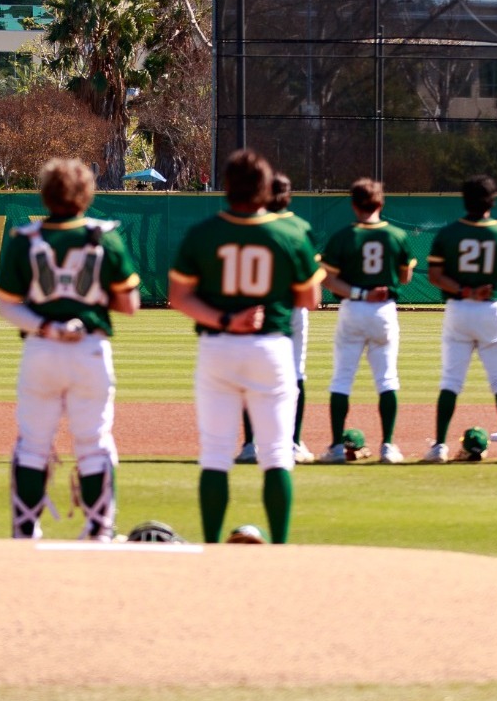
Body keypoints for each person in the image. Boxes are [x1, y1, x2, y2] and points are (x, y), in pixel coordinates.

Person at [168, 149, 323, 544]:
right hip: (270, 347)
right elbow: (310, 299)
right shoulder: (290, 233)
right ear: (265, 189)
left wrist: (225, 318)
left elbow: (179, 296)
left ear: (227, 187)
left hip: (219, 346)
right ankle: (280, 545)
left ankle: (210, 543)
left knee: (216, 456)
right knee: (276, 456)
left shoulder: (203, 233)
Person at [0, 157, 142, 540]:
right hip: (89, 349)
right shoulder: (105, 237)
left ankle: (26, 528)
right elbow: (129, 305)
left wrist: (46, 323)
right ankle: (98, 527)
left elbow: (7, 304)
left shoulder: (25, 238)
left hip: (41, 348)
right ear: (87, 194)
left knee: (33, 444)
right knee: (93, 442)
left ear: (45, 195)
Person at [421, 175, 497, 464]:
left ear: (464, 200)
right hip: (492, 309)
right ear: (492, 201)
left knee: (451, 381)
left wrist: (464, 288)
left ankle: (439, 447)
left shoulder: (448, 233)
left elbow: (435, 276)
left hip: (459, 308)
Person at [318, 177, 417, 464]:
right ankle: (387, 446)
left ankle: (336, 447)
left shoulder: (343, 236)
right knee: (387, 378)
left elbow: (328, 280)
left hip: (353, 307)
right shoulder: (396, 235)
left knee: (342, 378)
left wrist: (361, 290)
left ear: (353, 204)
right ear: (380, 203)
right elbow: (405, 276)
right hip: (384, 310)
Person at [238, 173, 318, 466]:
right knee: (295, 374)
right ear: (288, 196)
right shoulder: (300, 228)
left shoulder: (250, 226)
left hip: (255, 308)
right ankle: (293, 443)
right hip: (293, 307)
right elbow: (310, 288)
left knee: (252, 374)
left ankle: (249, 445)